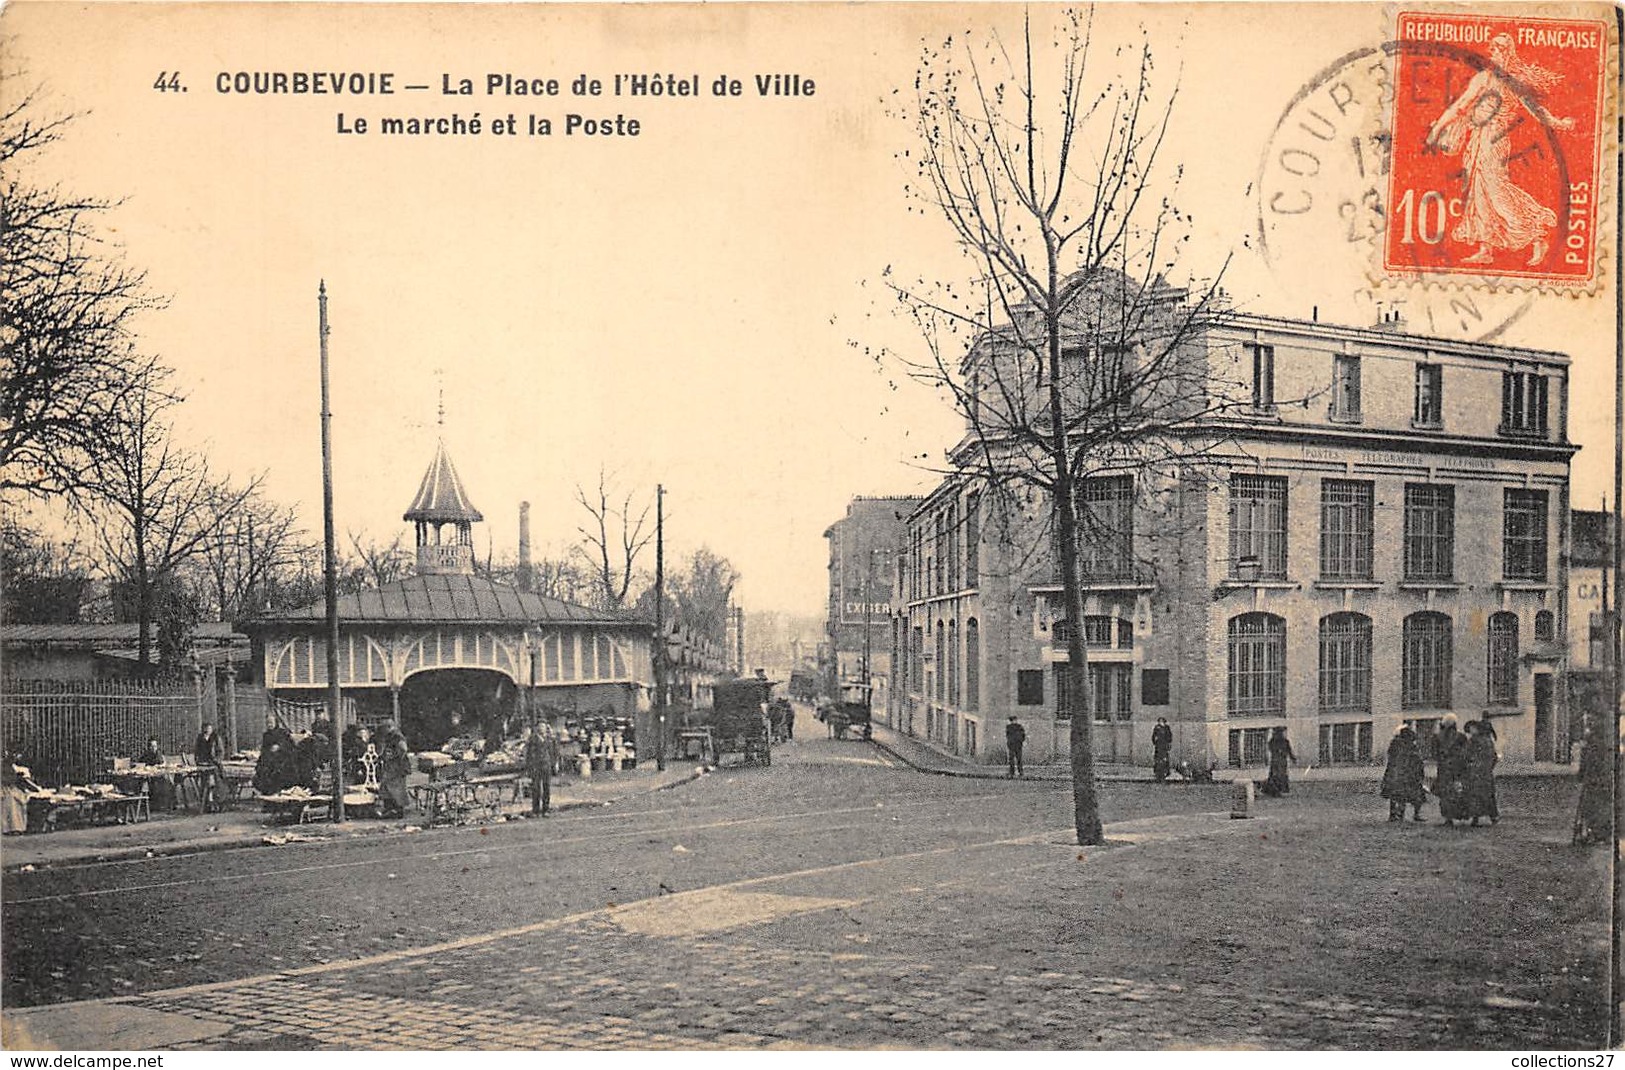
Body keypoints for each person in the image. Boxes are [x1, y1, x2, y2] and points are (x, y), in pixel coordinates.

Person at [1425, 33, 1575, 267]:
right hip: (1478, 137)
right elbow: (1460, 106)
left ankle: (1537, 235)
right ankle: (1486, 248)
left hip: (1495, 139)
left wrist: (1558, 123)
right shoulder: (1483, 78)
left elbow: (1535, 109)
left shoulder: (1512, 81)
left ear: (1508, 53)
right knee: (1478, 192)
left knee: (1496, 191)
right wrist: (1437, 129)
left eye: (1500, 49)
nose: (1495, 52)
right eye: (1493, 49)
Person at [1380, 722, 1427, 822]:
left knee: (1396, 795)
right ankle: (1412, 814)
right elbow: (1416, 759)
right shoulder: (1409, 745)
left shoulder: (1395, 745)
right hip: (1408, 774)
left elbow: (1392, 759)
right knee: (1411, 794)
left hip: (1395, 773)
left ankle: (1394, 815)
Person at [1464, 719, 1500, 827]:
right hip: (1487, 772)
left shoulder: (1473, 740)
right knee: (1489, 795)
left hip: (1476, 772)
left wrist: (1469, 766)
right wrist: (1489, 768)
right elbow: (1494, 757)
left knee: (1475, 794)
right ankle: (1494, 816)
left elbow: (1467, 755)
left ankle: (1475, 818)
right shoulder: (1488, 740)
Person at [1434, 714, 1469, 825]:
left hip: (1444, 768)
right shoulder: (1461, 736)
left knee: (1445, 793)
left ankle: (1448, 818)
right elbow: (1466, 753)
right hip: (1457, 768)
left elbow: (1434, 753)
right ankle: (1459, 814)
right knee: (1457, 791)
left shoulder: (1437, 737)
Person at [253, 714, 297, 796]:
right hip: (269, 759)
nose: (269, 725)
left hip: (282, 758)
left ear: (275, 722)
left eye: (271, 722)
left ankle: (277, 791)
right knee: (262, 769)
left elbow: (291, 746)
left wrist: (279, 746)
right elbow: (264, 749)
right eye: (267, 723)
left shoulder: (283, 732)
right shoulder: (266, 735)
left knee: (277, 770)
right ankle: (267, 792)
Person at [378, 722, 411, 818]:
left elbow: (403, 748)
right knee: (386, 786)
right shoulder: (390, 736)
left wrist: (397, 757)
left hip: (397, 767)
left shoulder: (397, 736)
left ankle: (397, 810)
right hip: (392, 767)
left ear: (390, 727)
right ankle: (390, 809)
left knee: (396, 788)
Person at [135, 737, 177, 810]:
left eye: (155, 746)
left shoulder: (158, 754)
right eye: (152, 746)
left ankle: (171, 804)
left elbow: (163, 763)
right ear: (149, 747)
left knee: (170, 782)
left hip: (160, 775)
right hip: (150, 776)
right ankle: (155, 806)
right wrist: (147, 767)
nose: (154, 748)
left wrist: (160, 766)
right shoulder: (145, 755)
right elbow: (141, 764)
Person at [193, 723, 225, 813]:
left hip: (214, 765)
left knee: (215, 785)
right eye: (205, 729)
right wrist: (198, 761)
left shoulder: (216, 738)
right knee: (204, 784)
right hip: (203, 764)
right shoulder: (200, 738)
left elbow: (221, 752)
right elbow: (197, 752)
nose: (207, 730)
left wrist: (216, 761)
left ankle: (217, 805)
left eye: (209, 729)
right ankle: (207, 805)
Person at [524, 724, 555, 817]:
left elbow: (553, 752)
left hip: (546, 766)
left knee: (546, 788)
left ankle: (546, 809)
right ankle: (535, 810)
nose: (542, 728)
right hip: (536, 767)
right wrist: (530, 766)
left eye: (543, 726)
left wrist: (553, 764)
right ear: (537, 728)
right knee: (536, 788)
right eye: (540, 726)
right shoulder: (533, 740)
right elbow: (529, 754)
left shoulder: (549, 739)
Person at [1261, 726, 1294, 797]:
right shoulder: (1273, 741)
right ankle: (1276, 790)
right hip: (1277, 760)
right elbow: (1271, 749)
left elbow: (1289, 750)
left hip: (1281, 761)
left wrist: (1292, 758)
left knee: (1280, 774)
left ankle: (1280, 789)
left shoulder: (1283, 741)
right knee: (1276, 775)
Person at [1151, 718, 1173, 783]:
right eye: (1159, 721)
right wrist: (1155, 742)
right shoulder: (1156, 728)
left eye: (1162, 721)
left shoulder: (1167, 728)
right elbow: (1153, 736)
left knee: (1165, 758)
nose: (1161, 722)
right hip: (1158, 746)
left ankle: (1166, 771)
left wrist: (1168, 742)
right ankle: (1157, 772)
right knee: (1157, 758)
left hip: (1164, 746)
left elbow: (1170, 736)